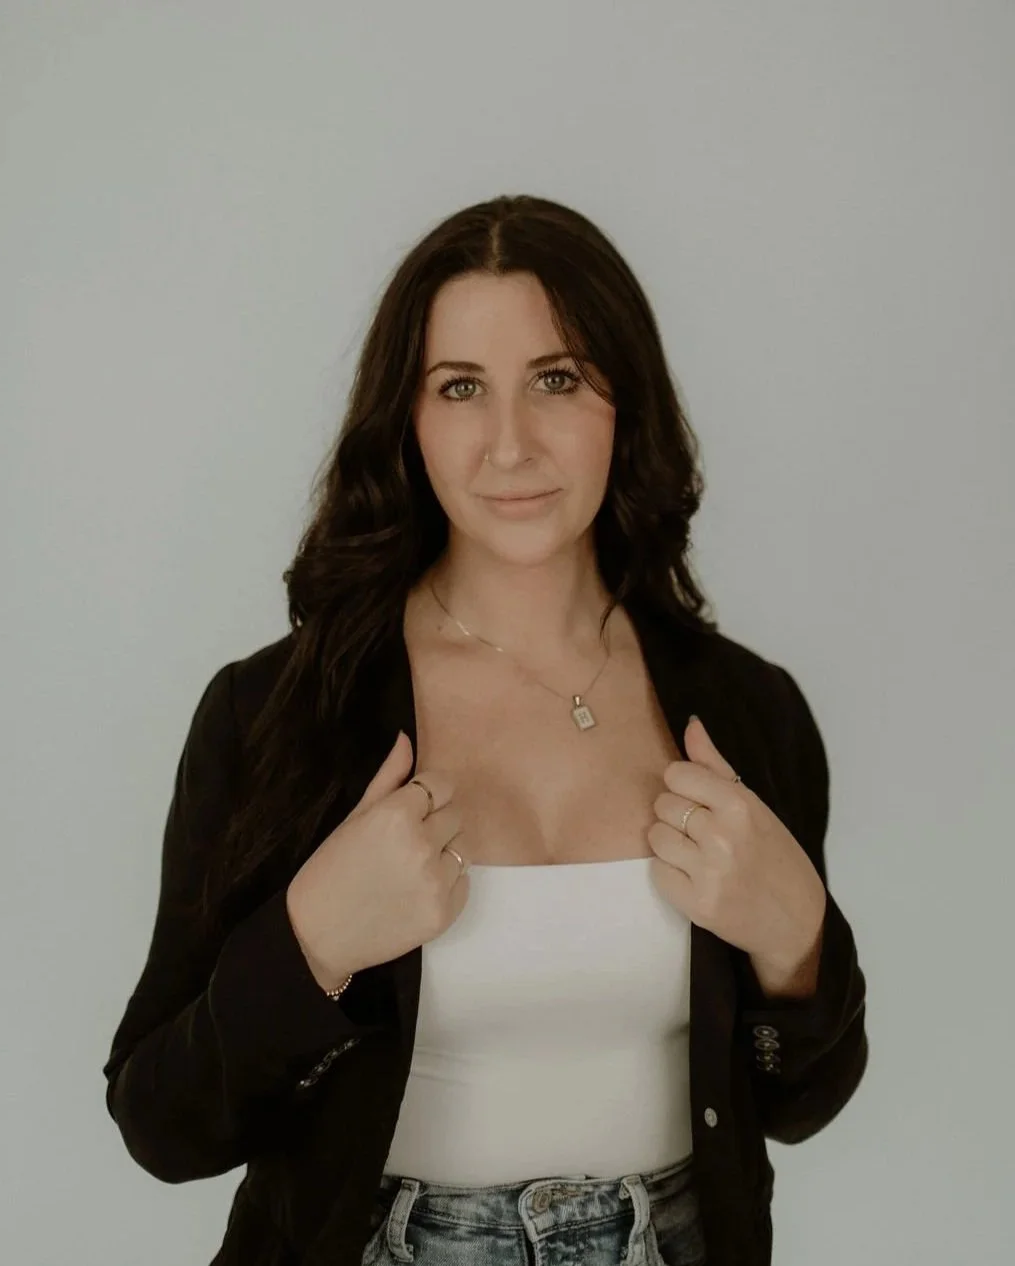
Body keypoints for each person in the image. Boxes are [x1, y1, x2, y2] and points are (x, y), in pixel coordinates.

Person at [103, 194, 868, 1266]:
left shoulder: (748, 710)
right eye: (460, 387)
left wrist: (797, 945)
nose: (512, 445)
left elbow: (799, 1104)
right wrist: (312, 942)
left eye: (558, 379)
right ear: (407, 419)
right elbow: (162, 1124)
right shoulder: (277, 714)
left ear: (626, 402)